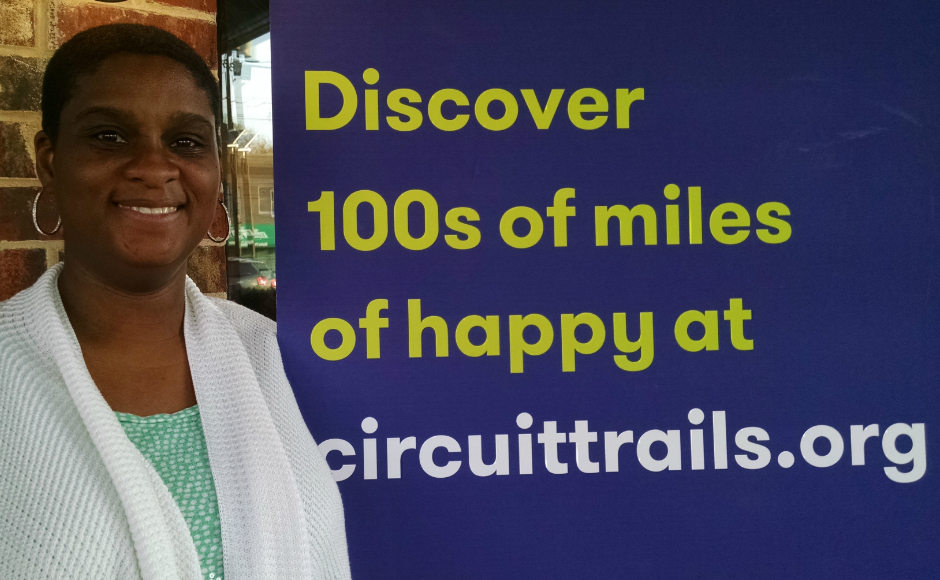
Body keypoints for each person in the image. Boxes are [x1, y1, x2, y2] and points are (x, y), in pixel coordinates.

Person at [0, 24, 351, 579]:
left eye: (186, 141)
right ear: (49, 160)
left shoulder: (261, 350)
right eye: (110, 136)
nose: (155, 167)